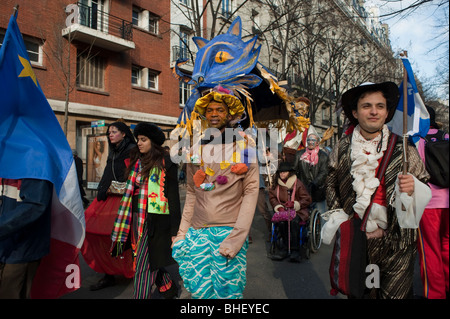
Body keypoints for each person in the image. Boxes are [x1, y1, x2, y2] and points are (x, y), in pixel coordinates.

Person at [324, 82, 430, 299]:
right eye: (367, 106)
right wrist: (342, 221)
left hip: (397, 242)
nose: (374, 111)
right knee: (360, 294)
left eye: (380, 106)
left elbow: (424, 186)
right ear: (355, 112)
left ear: (387, 111)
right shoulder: (341, 148)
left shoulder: (405, 149)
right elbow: (331, 184)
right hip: (357, 239)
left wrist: (414, 188)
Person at [171, 86, 259, 299]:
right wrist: (182, 233)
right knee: (200, 292)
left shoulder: (245, 147)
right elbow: (192, 193)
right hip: (198, 232)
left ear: (229, 114)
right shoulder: (194, 150)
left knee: (227, 294)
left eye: (219, 110)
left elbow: (251, 192)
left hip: (227, 232)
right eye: (209, 110)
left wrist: (236, 238)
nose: (213, 114)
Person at [111, 122, 181, 299]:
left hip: (155, 222)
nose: (139, 143)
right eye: (138, 140)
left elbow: (173, 198)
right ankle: (168, 286)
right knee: (146, 258)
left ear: (153, 142)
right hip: (135, 218)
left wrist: (176, 230)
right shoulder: (136, 161)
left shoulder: (167, 163)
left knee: (142, 265)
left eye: (143, 140)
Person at [81, 121, 137, 291]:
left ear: (124, 134)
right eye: (109, 132)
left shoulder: (132, 149)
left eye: (114, 132)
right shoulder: (113, 150)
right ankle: (109, 272)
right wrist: (102, 190)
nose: (111, 134)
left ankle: (135, 269)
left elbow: (135, 174)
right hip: (109, 197)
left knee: (126, 236)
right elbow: (107, 172)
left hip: (126, 200)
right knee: (95, 232)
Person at [0, 178, 53, 298]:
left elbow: (35, 205)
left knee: (10, 292)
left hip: (22, 247)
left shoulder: (34, 160)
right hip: (4, 243)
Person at [416, 105, 449, 299]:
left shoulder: (417, 141)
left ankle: (435, 294)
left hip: (428, 203)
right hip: (448, 201)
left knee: (430, 250)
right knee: (446, 245)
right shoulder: (446, 136)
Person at [268, 162, 312, 262]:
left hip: (298, 210)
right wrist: (278, 207)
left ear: (289, 173)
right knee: (282, 222)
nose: (282, 174)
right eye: (280, 172)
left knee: (294, 222)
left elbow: (307, 199)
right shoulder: (276, 185)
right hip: (283, 211)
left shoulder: (298, 183)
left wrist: (295, 204)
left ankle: (295, 250)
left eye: (284, 172)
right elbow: (272, 198)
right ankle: (283, 249)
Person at [293, 132, 328, 215]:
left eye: (313, 140)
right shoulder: (299, 154)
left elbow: (324, 172)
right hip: (303, 191)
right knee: (302, 214)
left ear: (317, 143)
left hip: (317, 191)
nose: (310, 142)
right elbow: (294, 170)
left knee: (321, 214)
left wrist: (314, 183)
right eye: (309, 140)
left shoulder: (323, 156)